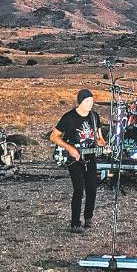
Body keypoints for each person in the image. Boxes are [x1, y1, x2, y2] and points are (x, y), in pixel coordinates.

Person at [49, 89, 106, 233]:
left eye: (92, 102)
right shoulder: (69, 117)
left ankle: (88, 218)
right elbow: (54, 137)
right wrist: (70, 148)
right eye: (87, 101)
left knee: (92, 187)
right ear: (80, 102)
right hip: (73, 157)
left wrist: (101, 143)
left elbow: (99, 137)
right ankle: (75, 222)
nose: (90, 104)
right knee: (79, 187)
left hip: (89, 155)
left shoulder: (94, 117)